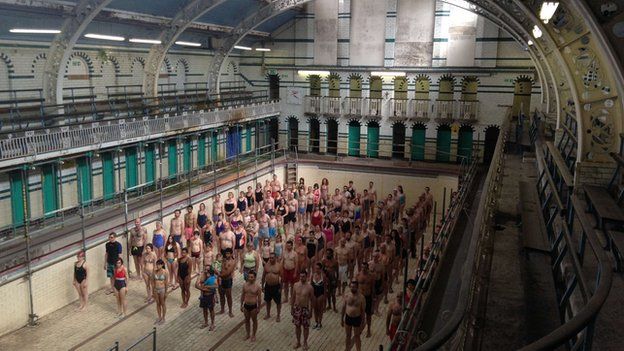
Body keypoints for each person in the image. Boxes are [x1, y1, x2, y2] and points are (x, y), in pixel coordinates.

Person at [291, 270, 314, 350]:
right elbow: (293, 297)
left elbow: (312, 300)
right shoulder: (296, 285)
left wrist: (311, 311)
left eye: (303, 276)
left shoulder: (310, 287)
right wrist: (291, 308)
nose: (301, 278)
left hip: (305, 309)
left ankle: (305, 342)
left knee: (305, 327)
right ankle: (298, 341)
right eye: (300, 276)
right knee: (297, 326)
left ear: (306, 277)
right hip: (297, 308)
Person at [342, 280, 365, 351]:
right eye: (351, 287)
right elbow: (343, 307)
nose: (352, 288)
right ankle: (347, 349)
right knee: (348, 336)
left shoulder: (361, 297)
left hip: (357, 318)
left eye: (354, 287)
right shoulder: (346, 295)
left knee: (357, 336)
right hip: (348, 317)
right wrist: (341, 319)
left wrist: (362, 322)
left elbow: (363, 311)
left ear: (357, 287)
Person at [241, 270, 262, 342]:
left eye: (252, 277)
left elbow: (259, 298)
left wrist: (259, 307)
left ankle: (253, 335)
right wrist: (241, 305)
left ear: (255, 278)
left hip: (253, 306)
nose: (250, 278)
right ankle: (247, 334)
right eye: (249, 277)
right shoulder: (245, 285)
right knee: (246, 320)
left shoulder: (258, 287)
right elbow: (242, 295)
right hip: (246, 305)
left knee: (254, 321)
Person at [262, 251, 283, 321]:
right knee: (267, 301)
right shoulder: (266, 265)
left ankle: (278, 315)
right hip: (268, 286)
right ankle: (268, 314)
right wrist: (262, 286)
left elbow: (282, 278)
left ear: (276, 258)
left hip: (276, 286)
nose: (271, 259)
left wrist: (281, 288)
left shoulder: (279, 266)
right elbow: (263, 276)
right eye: (270, 258)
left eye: (272, 258)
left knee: (278, 302)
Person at [357, 262, 375, 337]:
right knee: (360, 314)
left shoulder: (371, 276)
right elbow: (356, 287)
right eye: (362, 267)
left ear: (367, 268)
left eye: (365, 267)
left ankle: (368, 329)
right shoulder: (358, 275)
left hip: (368, 297)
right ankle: (360, 328)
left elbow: (373, 288)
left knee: (368, 314)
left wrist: (373, 299)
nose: (363, 269)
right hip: (360, 297)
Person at [218, 248, 236, 317]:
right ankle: (222, 309)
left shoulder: (232, 262)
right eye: (226, 253)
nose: (227, 255)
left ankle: (230, 311)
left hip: (227, 280)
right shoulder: (222, 260)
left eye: (228, 253)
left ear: (231, 254)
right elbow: (216, 267)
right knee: (221, 295)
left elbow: (228, 273)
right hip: (221, 280)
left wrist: (219, 274)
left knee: (228, 296)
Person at [310, 262, 327, 329]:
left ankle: (320, 322)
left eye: (318, 269)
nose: (316, 270)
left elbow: (325, 287)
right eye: (315, 268)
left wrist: (325, 297)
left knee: (320, 309)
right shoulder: (312, 276)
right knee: (315, 308)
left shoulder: (323, 276)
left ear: (320, 269)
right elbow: (311, 286)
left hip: (321, 294)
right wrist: (310, 296)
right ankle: (316, 322)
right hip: (314, 294)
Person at [151, 259, 168, 325]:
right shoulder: (154, 272)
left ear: (162, 265)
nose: (157, 266)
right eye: (156, 264)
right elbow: (152, 282)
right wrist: (153, 291)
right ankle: (159, 317)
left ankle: (163, 318)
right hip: (156, 289)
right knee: (158, 304)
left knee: (162, 303)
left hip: (162, 289)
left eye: (158, 264)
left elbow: (166, 283)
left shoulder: (165, 272)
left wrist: (166, 292)